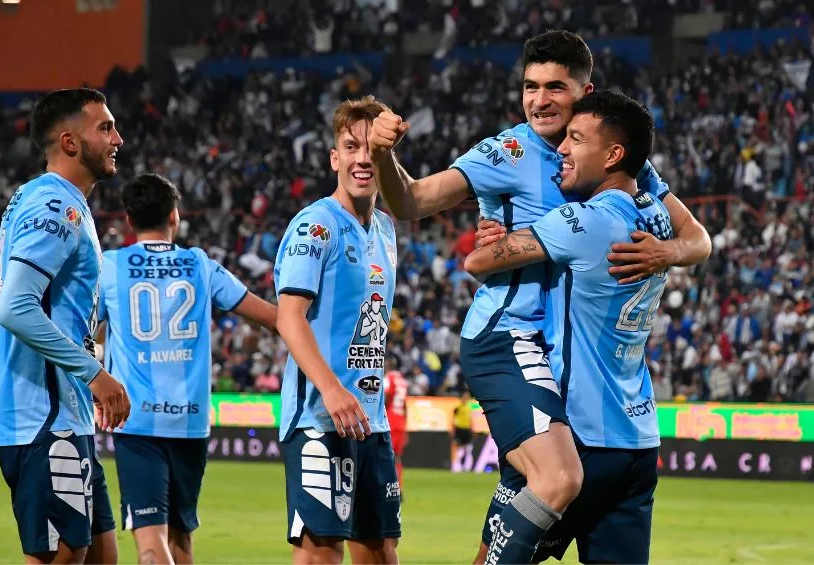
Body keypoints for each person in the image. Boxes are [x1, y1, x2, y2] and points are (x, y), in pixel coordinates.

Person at [369, 30, 711, 562]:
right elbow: (411, 201)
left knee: (514, 518)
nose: (540, 100)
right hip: (509, 337)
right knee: (556, 479)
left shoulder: (618, 159)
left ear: (584, 91)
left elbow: (699, 239)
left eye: (555, 87)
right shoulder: (506, 152)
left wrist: (664, 252)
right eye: (531, 87)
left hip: (557, 359)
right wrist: (382, 154)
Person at [465, 90, 670, 564]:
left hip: (576, 435)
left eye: (576, 139)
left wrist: (496, 228)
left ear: (613, 155)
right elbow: (696, 239)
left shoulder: (582, 221)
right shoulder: (657, 219)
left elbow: (478, 262)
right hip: (638, 439)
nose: (561, 148)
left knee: (494, 556)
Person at [97, 174, 277, 564]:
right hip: (190, 422)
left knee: (150, 544)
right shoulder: (200, 264)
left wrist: (96, 378)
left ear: (129, 220)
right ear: (174, 216)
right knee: (180, 539)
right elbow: (272, 318)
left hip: (137, 421)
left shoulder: (109, 266)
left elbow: (83, 332)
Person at [0, 88, 131, 565]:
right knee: (64, 556)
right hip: (44, 417)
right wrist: (95, 374)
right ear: (70, 142)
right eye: (105, 128)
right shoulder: (55, 205)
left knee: (101, 556)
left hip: (66, 414)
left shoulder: (52, 200)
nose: (118, 138)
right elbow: (16, 307)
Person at [274, 96, 401, 565]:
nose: (362, 159)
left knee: (381, 551)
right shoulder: (315, 226)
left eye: (372, 148)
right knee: (321, 552)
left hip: (371, 420)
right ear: (334, 158)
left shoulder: (385, 228)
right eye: (351, 147)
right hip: (319, 417)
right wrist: (330, 389)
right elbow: (289, 316)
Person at [384, 356, 408, 494]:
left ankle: (389, 487)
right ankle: (399, 486)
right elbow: (405, 405)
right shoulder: (402, 380)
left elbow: (387, 396)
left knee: (387, 454)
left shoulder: (389, 378)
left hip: (390, 420)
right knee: (397, 456)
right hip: (400, 421)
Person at [450, 389, 474, 472]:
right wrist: (453, 430)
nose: (465, 399)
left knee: (468, 449)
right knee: (459, 449)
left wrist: (472, 429)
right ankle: (456, 467)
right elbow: (453, 420)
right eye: (464, 397)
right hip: (459, 430)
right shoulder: (457, 408)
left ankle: (467, 468)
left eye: (467, 397)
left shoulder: (469, 408)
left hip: (467, 430)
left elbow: (470, 420)